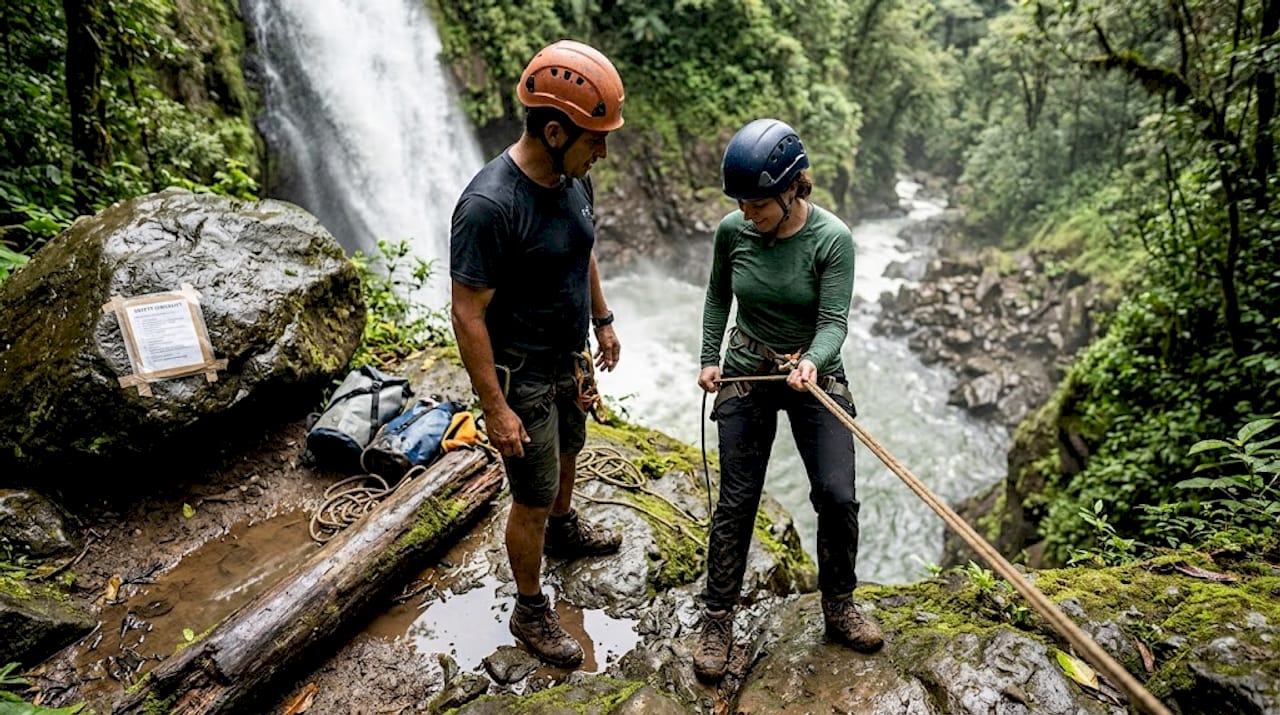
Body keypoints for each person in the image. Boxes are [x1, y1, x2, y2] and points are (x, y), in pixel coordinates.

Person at [449, 39, 625, 668]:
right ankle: (528, 607)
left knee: (570, 450)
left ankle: (565, 528)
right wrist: (495, 409)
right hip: (519, 370)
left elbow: (583, 250)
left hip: (567, 357)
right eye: (595, 139)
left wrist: (602, 321)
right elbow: (467, 314)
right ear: (554, 130)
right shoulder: (491, 206)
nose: (603, 151)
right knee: (530, 491)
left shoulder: (572, 180)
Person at [693, 118, 884, 680]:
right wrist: (710, 358)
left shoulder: (832, 239)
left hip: (810, 371)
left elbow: (833, 322)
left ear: (792, 189)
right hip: (748, 370)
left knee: (837, 494)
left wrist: (811, 363)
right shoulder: (733, 232)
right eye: (743, 204)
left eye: (758, 204)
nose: (748, 214)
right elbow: (716, 296)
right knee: (737, 500)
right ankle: (718, 618)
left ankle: (839, 606)